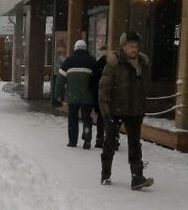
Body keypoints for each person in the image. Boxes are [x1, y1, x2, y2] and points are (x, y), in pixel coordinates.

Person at [97, 31, 153, 189]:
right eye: (131, 46)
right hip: (116, 110)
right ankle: (105, 174)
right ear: (123, 47)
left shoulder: (142, 63)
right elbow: (103, 90)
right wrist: (106, 113)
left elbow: (143, 89)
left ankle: (137, 177)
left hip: (135, 111)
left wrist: (142, 108)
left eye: (136, 46)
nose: (134, 49)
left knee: (135, 145)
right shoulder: (114, 64)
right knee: (110, 142)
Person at [55, 38, 98, 148]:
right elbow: (97, 79)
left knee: (72, 118)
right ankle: (87, 139)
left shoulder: (68, 61)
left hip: (72, 96)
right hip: (87, 96)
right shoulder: (92, 61)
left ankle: (73, 141)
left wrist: (57, 94)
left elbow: (60, 79)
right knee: (86, 118)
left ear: (75, 48)